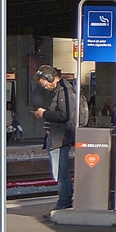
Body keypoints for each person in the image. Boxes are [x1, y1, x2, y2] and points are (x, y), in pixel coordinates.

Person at [33, 65, 75, 216]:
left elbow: (64, 114)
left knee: (60, 172)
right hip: (56, 136)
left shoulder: (64, 91)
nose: (45, 87)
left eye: (45, 83)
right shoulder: (59, 91)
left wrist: (45, 113)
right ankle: (64, 202)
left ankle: (64, 203)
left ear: (52, 78)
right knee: (59, 172)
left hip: (60, 137)